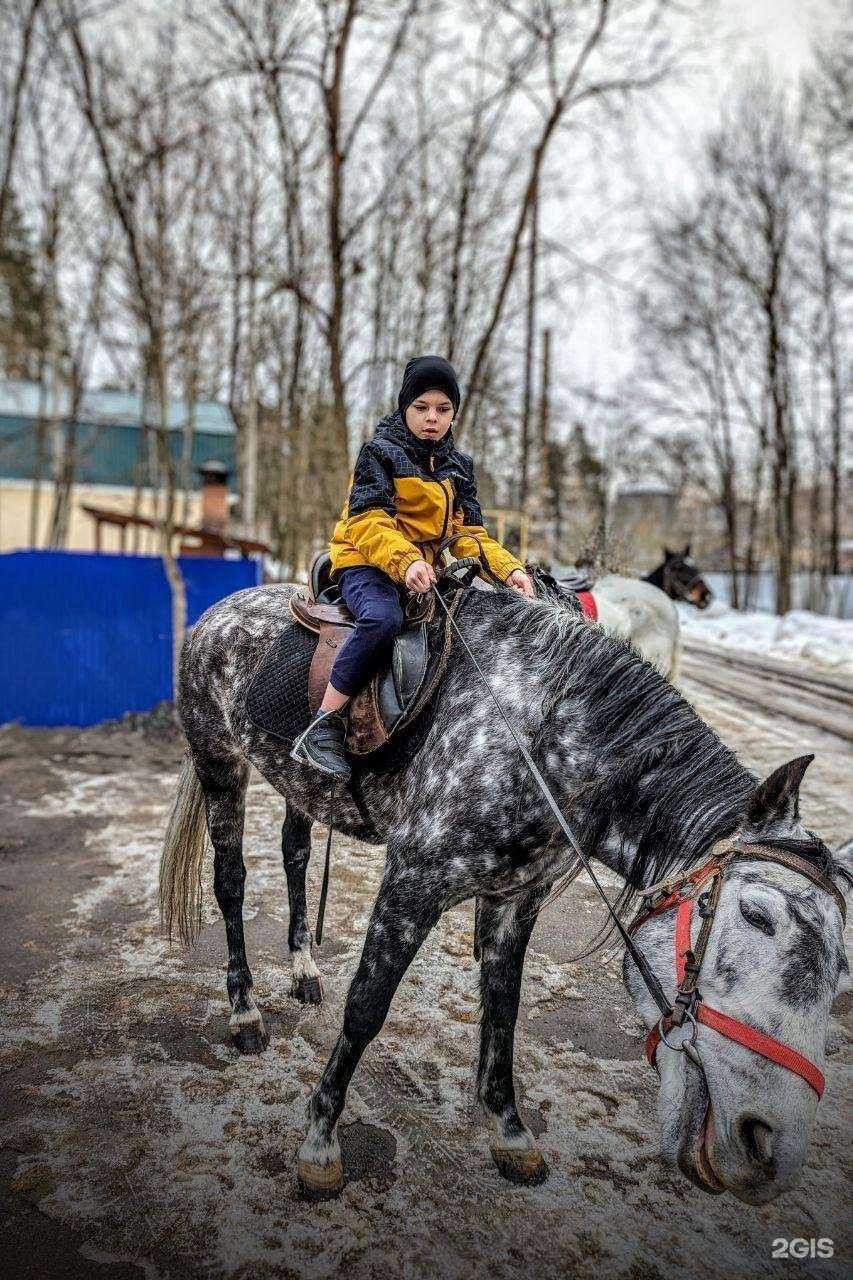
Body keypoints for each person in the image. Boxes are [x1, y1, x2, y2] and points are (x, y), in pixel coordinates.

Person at [291, 354, 534, 780]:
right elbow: (367, 522)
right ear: (405, 407)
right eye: (421, 407)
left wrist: (508, 570)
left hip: (422, 569)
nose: (431, 418)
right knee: (383, 619)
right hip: (366, 561)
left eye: (443, 409)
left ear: (454, 413)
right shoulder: (378, 453)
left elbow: (469, 535)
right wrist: (406, 562)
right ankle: (323, 723)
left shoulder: (460, 468)